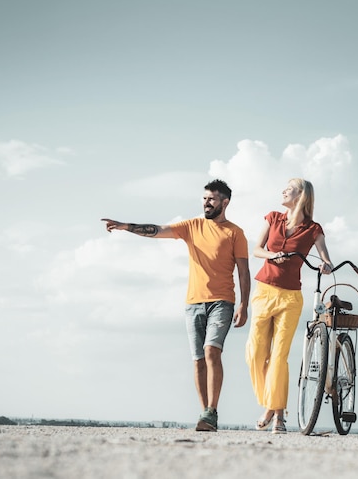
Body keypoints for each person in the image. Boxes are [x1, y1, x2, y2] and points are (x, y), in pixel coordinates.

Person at [102, 179, 250, 432]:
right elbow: (159, 230)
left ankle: (212, 411)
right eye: (204, 198)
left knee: (212, 351)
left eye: (211, 199)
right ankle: (206, 414)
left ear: (224, 203)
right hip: (193, 302)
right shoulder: (192, 226)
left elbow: (244, 272)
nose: (206, 203)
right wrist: (127, 227)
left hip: (222, 301)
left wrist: (244, 305)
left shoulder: (235, 233)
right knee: (198, 360)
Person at [245, 178, 333, 434]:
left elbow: (325, 257)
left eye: (289, 188)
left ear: (302, 195)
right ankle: (273, 405)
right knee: (255, 353)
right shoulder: (272, 218)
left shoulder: (314, 229)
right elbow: (257, 250)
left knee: (279, 357)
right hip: (264, 292)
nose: (283, 191)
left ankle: (278, 416)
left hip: (290, 298)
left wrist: (325, 265)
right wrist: (273, 255)